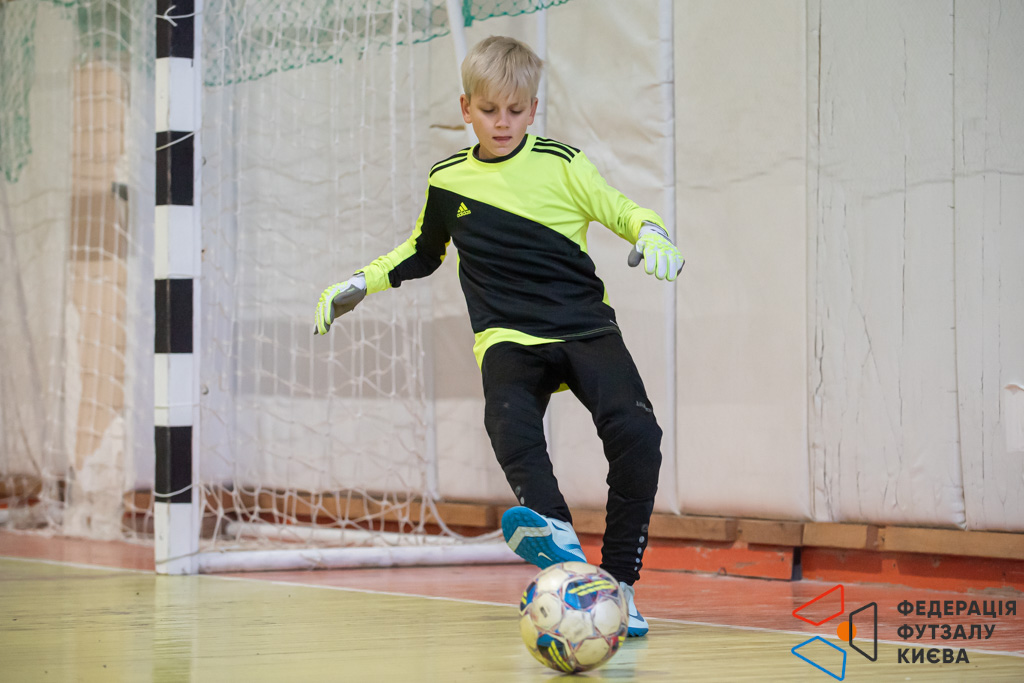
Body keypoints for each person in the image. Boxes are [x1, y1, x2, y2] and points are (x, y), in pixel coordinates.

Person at [314, 36, 683, 637]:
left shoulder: (562, 163)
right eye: (489, 110)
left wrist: (651, 232)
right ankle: (559, 540)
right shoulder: (448, 180)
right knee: (508, 422)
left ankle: (619, 583)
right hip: (507, 335)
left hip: (584, 325)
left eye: (515, 110)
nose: (503, 122)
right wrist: (363, 280)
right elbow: (422, 251)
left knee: (639, 436)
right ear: (467, 109)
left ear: (533, 110)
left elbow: (621, 210)